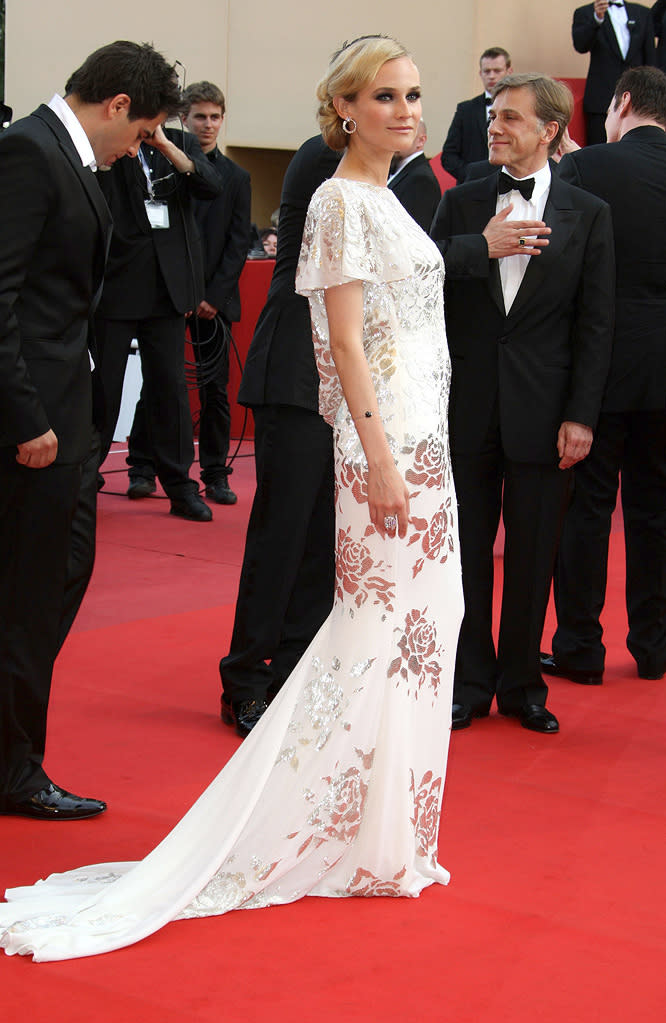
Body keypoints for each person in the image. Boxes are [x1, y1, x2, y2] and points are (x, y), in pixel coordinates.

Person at [0, 34, 463, 962]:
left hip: (425, 439)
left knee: (425, 629)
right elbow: (346, 349)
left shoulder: (393, 198)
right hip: (387, 446)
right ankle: (333, 827)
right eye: (384, 96)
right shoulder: (337, 201)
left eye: (414, 94)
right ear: (344, 108)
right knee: (376, 636)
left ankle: (385, 832)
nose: (406, 110)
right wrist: (375, 455)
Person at [0, 40, 180, 821]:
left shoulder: (76, 162)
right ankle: (14, 771)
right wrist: (26, 416)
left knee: (57, 581)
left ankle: (12, 755)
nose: (138, 149)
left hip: (70, 419)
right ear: (115, 108)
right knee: (28, 597)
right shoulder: (27, 153)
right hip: (33, 427)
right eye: (141, 133)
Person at [431, 73, 615, 734]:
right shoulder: (462, 204)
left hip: (546, 412)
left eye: (511, 118)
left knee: (535, 553)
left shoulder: (588, 213)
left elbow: (595, 325)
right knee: (468, 552)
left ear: (551, 131)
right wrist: (480, 248)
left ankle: (522, 683)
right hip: (467, 405)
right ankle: (468, 680)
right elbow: (428, 290)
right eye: (493, 118)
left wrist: (582, 415)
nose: (496, 128)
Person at [541, 66, 666, 685]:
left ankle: (580, 649)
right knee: (656, 510)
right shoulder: (595, 163)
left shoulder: (588, 167)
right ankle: (655, 647)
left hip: (604, 364)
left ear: (619, 103)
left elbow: (560, 266)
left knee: (588, 508)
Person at [219, 135, 339, 737]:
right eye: (388, 96)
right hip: (296, 372)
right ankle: (245, 679)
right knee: (282, 532)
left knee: (323, 537)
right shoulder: (322, 157)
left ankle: (294, 674)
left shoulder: (386, 172)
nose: (403, 112)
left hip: (345, 385)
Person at [95, 89, 222, 522]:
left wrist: (166, 144)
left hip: (168, 289)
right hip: (116, 285)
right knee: (104, 384)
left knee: (169, 389)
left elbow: (211, 185)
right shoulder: (115, 143)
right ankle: (83, 474)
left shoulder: (180, 145)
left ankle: (180, 485)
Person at [126, 81, 252, 506]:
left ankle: (215, 473)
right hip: (168, 295)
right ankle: (142, 467)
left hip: (213, 303)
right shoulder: (161, 166)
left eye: (216, 116)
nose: (208, 124)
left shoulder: (236, 178)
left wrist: (212, 297)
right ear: (184, 118)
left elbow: (238, 243)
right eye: (200, 116)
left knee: (215, 390)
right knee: (160, 382)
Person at [572, 1, 655, 144]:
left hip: (638, 101)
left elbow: (650, 58)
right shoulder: (585, 12)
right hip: (601, 102)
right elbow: (580, 45)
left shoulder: (643, 13)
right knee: (598, 154)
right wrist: (597, 19)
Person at [440, 47, 512, 183]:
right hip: (469, 189)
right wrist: (471, 174)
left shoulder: (517, 111)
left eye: (497, 71)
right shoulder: (465, 109)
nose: (491, 76)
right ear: (480, 73)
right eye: (487, 71)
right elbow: (448, 156)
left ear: (509, 72)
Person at [387, 118, 441, 231]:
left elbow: (412, 232)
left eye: (403, 135)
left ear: (421, 141)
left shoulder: (421, 179)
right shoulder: (398, 168)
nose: (394, 141)